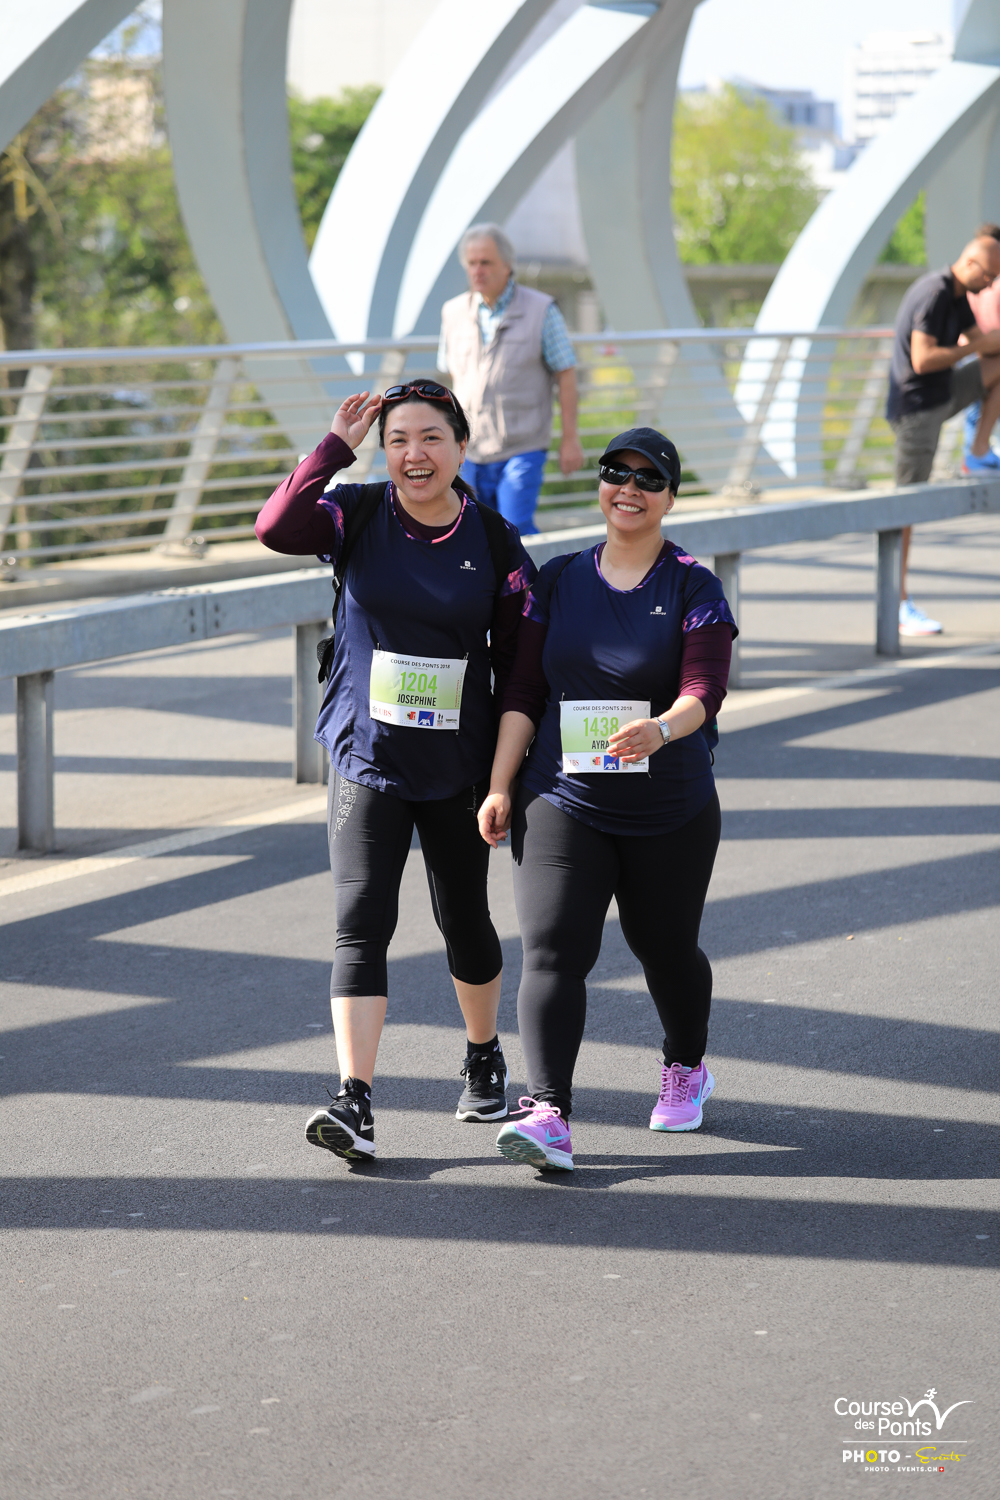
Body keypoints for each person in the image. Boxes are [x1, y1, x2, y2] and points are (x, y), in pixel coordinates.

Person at [255, 381, 535, 1162]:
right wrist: (334, 448)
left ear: (461, 447)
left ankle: (482, 1055)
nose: (415, 454)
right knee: (360, 921)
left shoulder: (494, 539)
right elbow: (275, 526)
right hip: (366, 757)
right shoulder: (356, 512)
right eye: (399, 440)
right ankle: (355, 1099)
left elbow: (521, 667)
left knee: (464, 919)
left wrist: (502, 780)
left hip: (456, 764)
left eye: (432, 438)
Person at [477, 427, 736, 1172]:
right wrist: (499, 785)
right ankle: (547, 1112)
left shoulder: (692, 585)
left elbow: (705, 688)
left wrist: (662, 729)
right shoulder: (559, 579)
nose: (629, 488)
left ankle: (685, 1065)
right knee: (553, 949)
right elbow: (524, 689)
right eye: (616, 472)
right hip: (562, 795)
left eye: (649, 478)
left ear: (670, 497)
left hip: (668, 806)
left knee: (665, 948)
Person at [886, 228, 1000, 636]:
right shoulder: (935, 292)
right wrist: (975, 348)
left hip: (942, 396)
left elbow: (986, 346)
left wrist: (991, 342)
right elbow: (922, 359)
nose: (990, 284)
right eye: (988, 276)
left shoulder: (959, 295)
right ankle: (898, 604)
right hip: (916, 411)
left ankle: (978, 452)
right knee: (907, 509)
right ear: (969, 263)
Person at [438, 223, 584, 537]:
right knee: (474, 534)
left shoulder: (541, 310)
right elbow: (451, 377)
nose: (478, 270)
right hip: (469, 450)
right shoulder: (452, 312)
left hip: (523, 447)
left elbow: (566, 373)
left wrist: (570, 438)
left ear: (507, 265)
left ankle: (531, 571)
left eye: (486, 262)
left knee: (515, 530)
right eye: (472, 263)